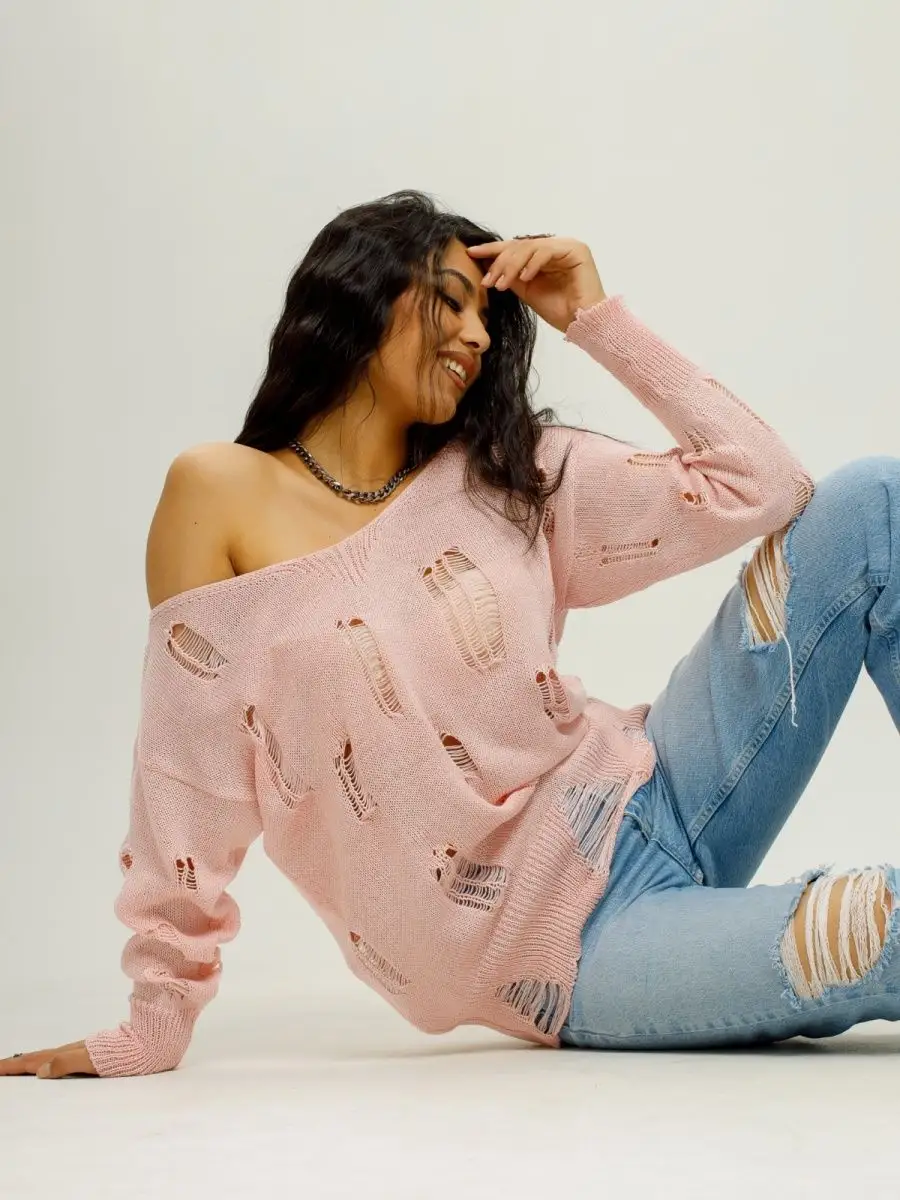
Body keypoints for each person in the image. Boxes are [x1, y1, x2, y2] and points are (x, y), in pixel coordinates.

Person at [3, 189, 898, 1081]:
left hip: (662, 785)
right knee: (881, 929)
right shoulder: (219, 493)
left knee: (872, 504)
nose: (477, 336)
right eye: (450, 301)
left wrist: (593, 318)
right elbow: (183, 777)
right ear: (360, 294)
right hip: (566, 947)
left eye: (486, 317)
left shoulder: (505, 474)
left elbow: (765, 484)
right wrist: (157, 1020)